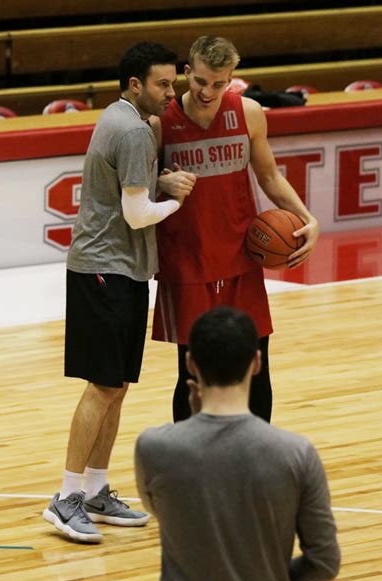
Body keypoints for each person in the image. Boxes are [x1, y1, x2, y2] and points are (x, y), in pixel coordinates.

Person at [43, 42, 196, 544]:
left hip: (120, 269)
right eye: (162, 84)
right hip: (104, 270)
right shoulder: (132, 129)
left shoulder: (122, 117)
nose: (171, 93)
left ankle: (96, 489)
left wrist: (156, 179)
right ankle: (65, 498)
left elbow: (126, 188)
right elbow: (135, 215)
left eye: (173, 83)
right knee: (103, 385)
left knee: (117, 386)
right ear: (135, 84)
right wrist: (173, 200)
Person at [150, 36, 320, 423]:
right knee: (190, 373)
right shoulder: (161, 122)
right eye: (200, 82)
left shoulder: (249, 112)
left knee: (256, 366)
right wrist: (161, 184)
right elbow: (140, 186)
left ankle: (254, 458)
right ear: (187, 72)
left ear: (231, 79)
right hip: (186, 262)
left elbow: (269, 176)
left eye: (219, 83)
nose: (208, 91)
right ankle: (190, 461)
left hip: (242, 258)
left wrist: (308, 218)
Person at [135, 306, 340, 581]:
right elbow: (325, 562)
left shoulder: (154, 447)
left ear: (190, 363)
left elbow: (163, 509)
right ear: (257, 362)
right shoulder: (297, 452)